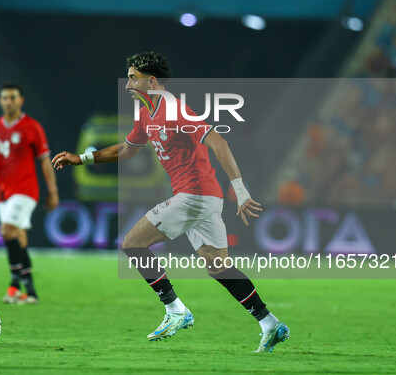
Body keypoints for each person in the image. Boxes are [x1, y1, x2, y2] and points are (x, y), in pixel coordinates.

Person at [52, 52, 289, 352]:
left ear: (151, 81)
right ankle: (270, 323)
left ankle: (176, 310)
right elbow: (127, 149)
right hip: (203, 198)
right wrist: (82, 158)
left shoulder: (175, 110)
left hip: (195, 195)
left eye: (132, 77)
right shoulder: (145, 114)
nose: (127, 85)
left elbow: (219, 141)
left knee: (132, 244)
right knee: (218, 266)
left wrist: (240, 191)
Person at [0, 83, 59, 305]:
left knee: (6, 230)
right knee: (18, 236)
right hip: (3, 191)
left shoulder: (32, 127)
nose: (8, 102)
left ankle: (13, 282)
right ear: (0, 101)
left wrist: (53, 192)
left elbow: (45, 161)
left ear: (21, 101)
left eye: (12, 98)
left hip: (26, 190)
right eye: (5, 98)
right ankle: (29, 291)